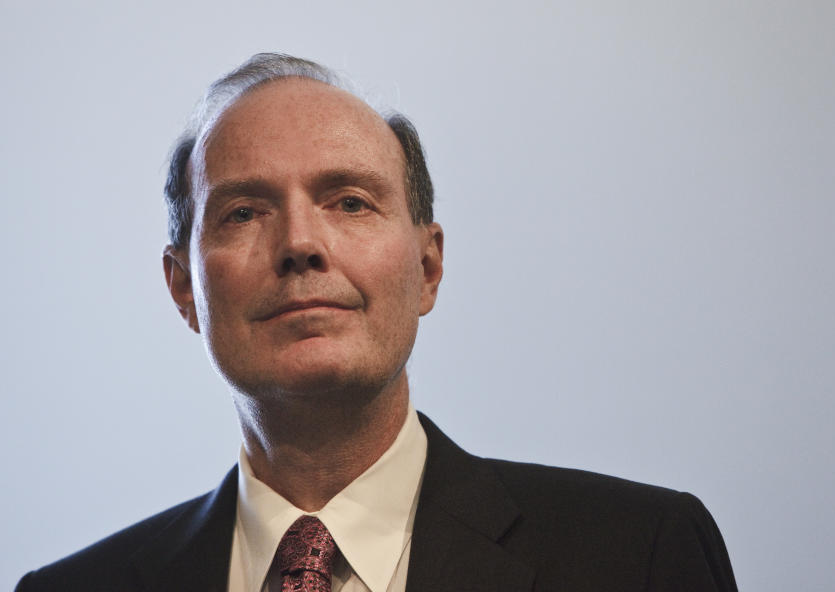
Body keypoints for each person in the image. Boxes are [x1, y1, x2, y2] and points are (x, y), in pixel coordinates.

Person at [16, 53, 738, 592]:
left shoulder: (639, 555)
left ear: (426, 268)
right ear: (183, 290)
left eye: (350, 202)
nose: (300, 244)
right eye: (243, 212)